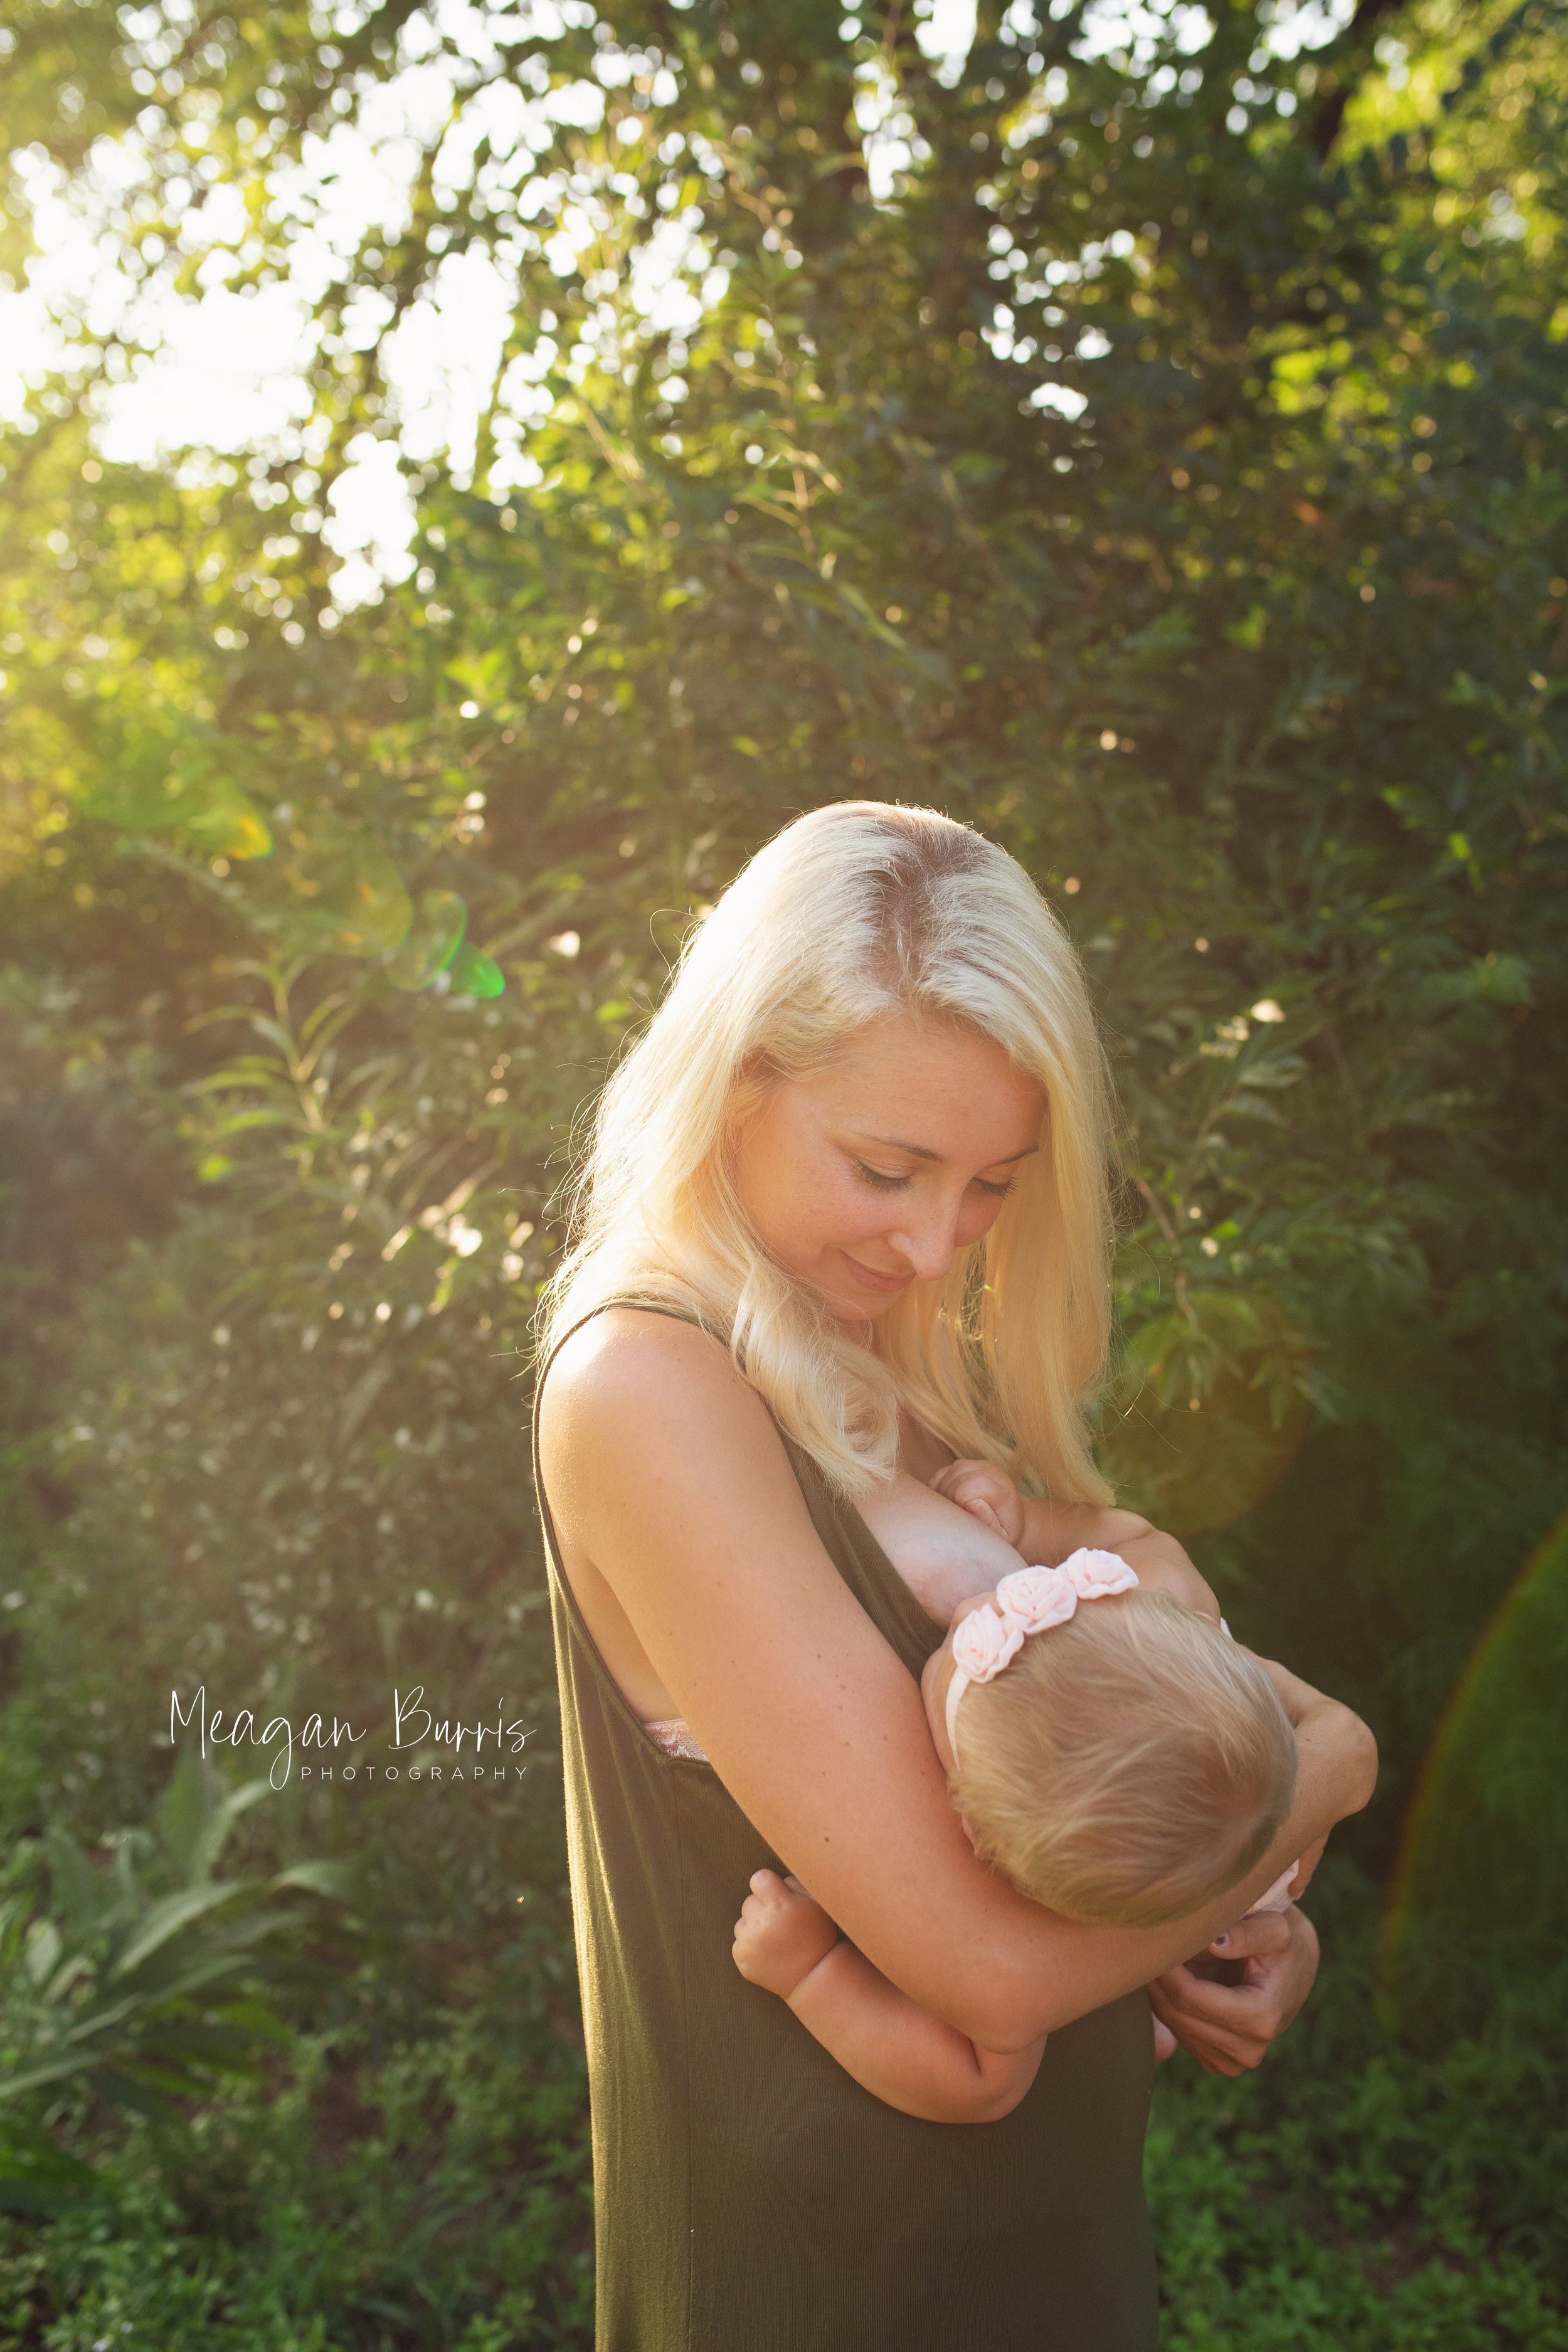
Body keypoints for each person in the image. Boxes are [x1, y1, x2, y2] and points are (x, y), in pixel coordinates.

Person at [532, 802, 1377, 2351]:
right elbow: (986, 1965)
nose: (939, 1244)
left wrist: (1242, 1919)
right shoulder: (651, 1386)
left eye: (993, 1184)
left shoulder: (876, 1360)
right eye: (888, 1166)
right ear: (732, 1092)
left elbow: (1129, 1762)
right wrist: (1330, 1764)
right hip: (829, 2271)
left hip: (1029, 2238)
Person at [730, 1466, 1354, 2121]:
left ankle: (1137, 2006)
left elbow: (981, 2082)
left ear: (974, 1828)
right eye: (1029, 1601)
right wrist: (1029, 1523)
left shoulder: (1034, 1854)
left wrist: (811, 1972)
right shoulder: (1160, 1647)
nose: (977, 1605)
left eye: (954, 1653)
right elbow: (1143, 1537)